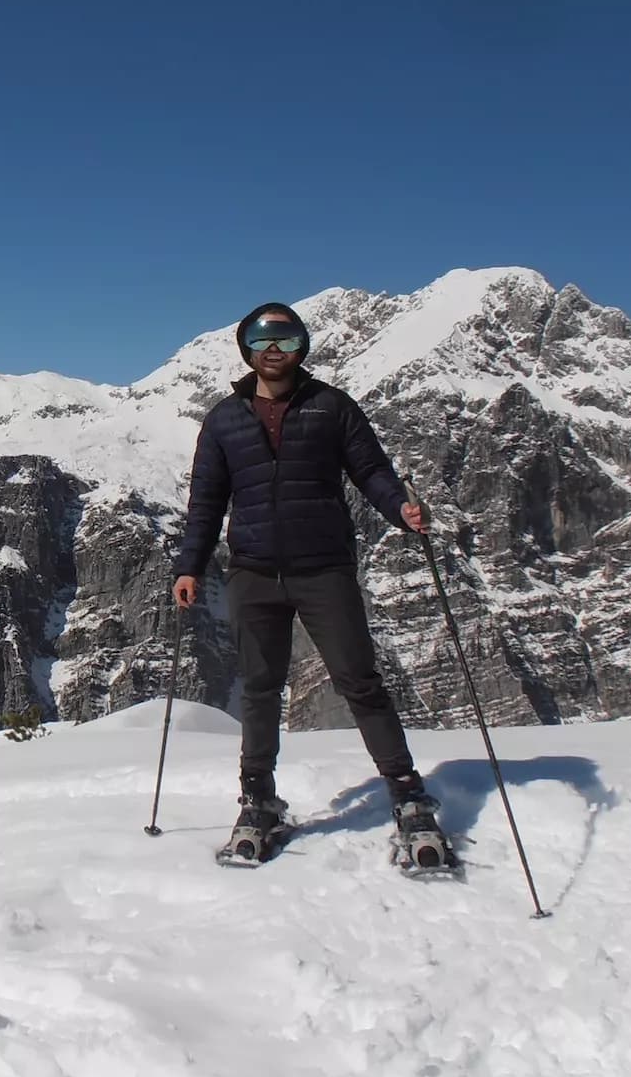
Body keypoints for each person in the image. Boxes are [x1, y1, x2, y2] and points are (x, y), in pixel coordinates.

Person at [171, 301, 446, 846]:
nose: (273, 350)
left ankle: (406, 790)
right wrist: (190, 566)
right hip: (253, 572)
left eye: (286, 340)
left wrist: (401, 509)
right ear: (245, 348)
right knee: (260, 689)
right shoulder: (224, 419)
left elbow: (372, 471)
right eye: (261, 339)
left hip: (324, 569)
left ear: (303, 347)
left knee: (358, 680)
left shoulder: (332, 407)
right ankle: (257, 797)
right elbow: (206, 502)